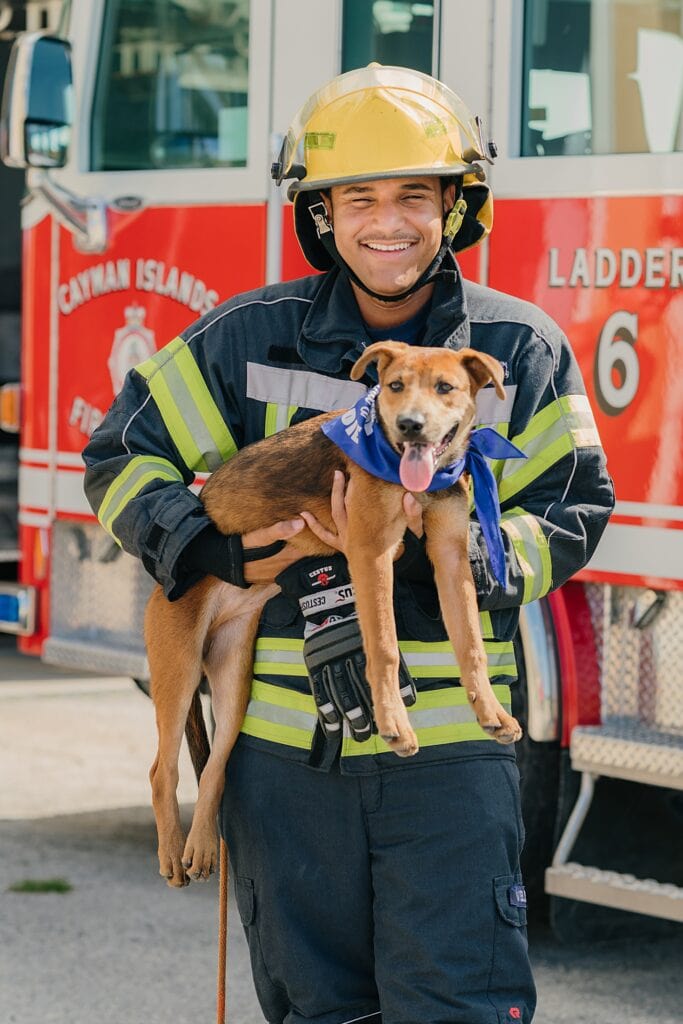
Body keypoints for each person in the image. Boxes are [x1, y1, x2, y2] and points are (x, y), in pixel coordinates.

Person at [83, 65, 614, 1024]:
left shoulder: (517, 348)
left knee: (455, 1008)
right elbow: (121, 455)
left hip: (448, 769)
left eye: (415, 194)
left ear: (456, 205)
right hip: (286, 772)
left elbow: (574, 510)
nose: (388, 222)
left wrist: (460, 552)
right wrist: (211, 550)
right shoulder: (248, 337)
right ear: (319, 213)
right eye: (356, 198)